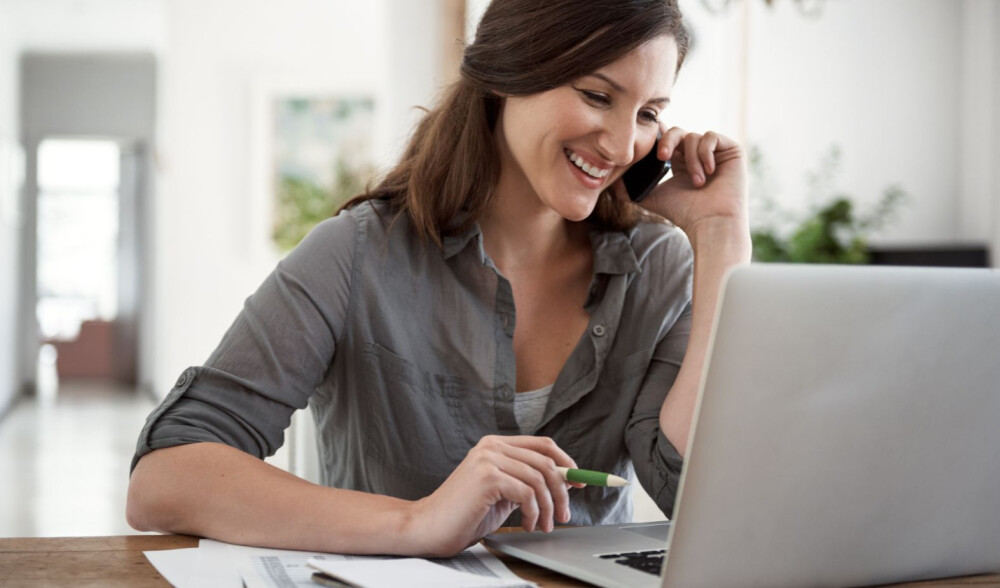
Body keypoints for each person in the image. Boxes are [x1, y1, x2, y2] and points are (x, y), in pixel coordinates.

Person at [126, 0, 750, 558]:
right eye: (595, 95)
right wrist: (417, 522)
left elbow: (698, 494)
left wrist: (721, 234)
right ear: (509, 74)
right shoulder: (358, 253)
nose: (620, 144)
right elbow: (166, 477)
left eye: (648, 113)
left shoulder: (661, 267)